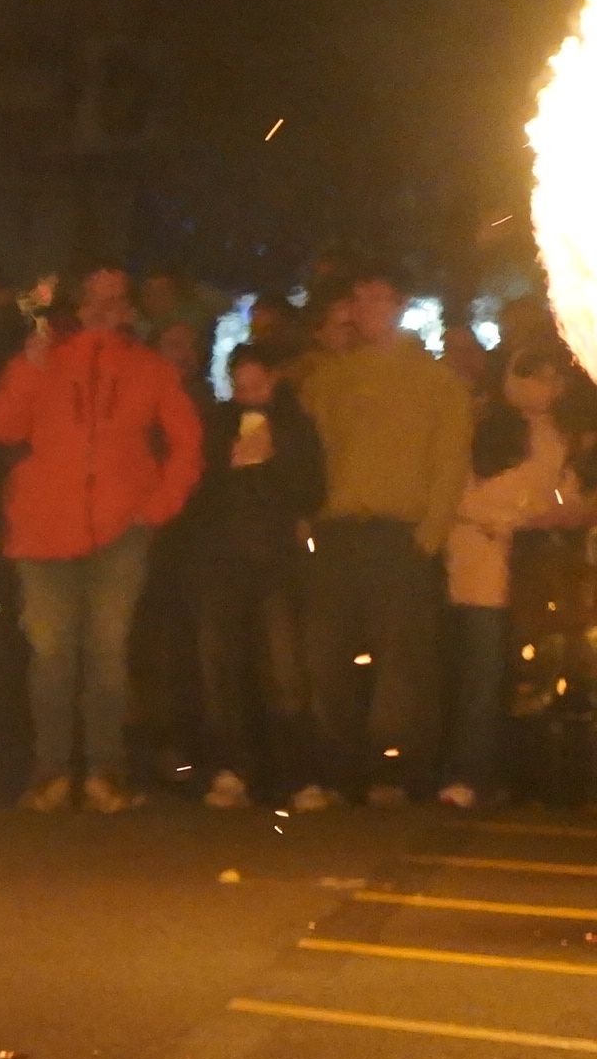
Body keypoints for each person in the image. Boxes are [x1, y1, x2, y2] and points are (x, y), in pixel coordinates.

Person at [0, 264, 201, 811]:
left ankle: (105, 770)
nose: (103, 308)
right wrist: (29, 369)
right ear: (77, 306)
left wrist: (156, 506)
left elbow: (187, 441)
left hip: (118, 530)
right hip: (43, 528)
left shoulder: (148, 368)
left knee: (106, 654)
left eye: (114, 299)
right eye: (93, 298)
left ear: (128, 308)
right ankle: (51, 771)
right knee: (51, 657)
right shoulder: (42, 359)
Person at [295, 265, 470, 805]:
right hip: (339, 533)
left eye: (380, 299)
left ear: (399, 305)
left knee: (401, 663)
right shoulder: (329, 378)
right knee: (326, 656)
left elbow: (450, 460)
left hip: (400, 534)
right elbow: (307, 449)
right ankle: (338, 770)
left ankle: (392, 772)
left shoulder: (437, 380)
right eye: (360, 299)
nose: (368, 309)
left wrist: (429, 535)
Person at [439, 350, 593, 808]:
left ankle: (528, 776)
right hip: (484, 568)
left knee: (537, 674)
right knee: (481, 676)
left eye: (552, 378)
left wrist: (566, 513)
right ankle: (468, 773)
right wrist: (515, 517)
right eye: (533, 377)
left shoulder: (570, 436)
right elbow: (459, 496)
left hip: (542, 573)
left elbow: (577, 497)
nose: (544, 388)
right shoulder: (483, 429)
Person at [192, 344, 328, 811]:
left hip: (277, 562)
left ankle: (296, 774)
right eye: (241, 386)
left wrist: (276, 457)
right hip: (222, 561)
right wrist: (224, 465)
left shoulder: (295, 424)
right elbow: (196, 493)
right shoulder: (217, 423)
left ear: (273, 381)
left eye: (257, 385)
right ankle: (231, 769)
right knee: (221, 666)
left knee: (284, 667)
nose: (249, 396)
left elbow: (313, 489)